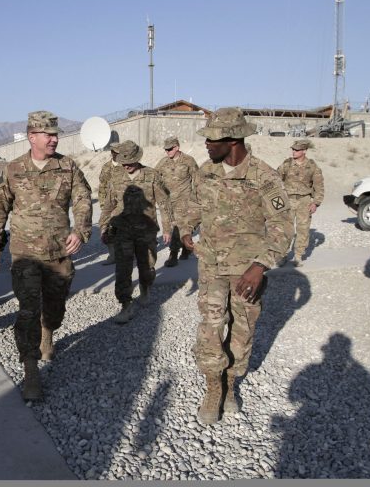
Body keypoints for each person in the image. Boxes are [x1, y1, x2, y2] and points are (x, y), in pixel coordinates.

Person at [178, 107, 293, 425]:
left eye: (212, 139)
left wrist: (260, 267)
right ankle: (213, 387)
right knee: (211, 329)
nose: (206, 144)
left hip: (247, 272)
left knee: (242, 335)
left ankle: (230, 386)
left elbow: (283, 226)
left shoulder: (264, 177)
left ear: (233, 140)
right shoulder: (206, 171)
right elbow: (194, 205)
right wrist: (186, 228)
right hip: (212, 267)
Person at [0, 110, 92, 401]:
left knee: (54, 311)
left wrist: (81, 230)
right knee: (28, 311)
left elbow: (83, 200)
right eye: (48, 134)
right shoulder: (13, 169)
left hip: (59, 253)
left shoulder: (67, 167)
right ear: (32, 136)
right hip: (25, 255)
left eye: (56, 134)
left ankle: (49, 332)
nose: (54, 139)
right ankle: (31, 371)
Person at [100, 140, 171, 324]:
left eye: (130, 161)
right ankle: (125, 304)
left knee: (146, 267)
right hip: (122, 230)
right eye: (124, 162)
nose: (127, 166)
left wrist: (167, 228)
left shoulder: (152, 175)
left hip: (146, 231)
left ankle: (145, 288)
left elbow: (164, 203)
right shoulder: (115, 176)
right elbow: (108, 205)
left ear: (138, 158)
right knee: (122, 269)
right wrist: (103, 227)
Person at [277, 139, 325, 266]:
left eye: (297, 150)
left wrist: (316, 202)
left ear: (304, 151)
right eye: (293, 149)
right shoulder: (286, 164)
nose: (293, 151)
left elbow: (319, 186)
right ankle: (283, 255)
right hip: (288, 200)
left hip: (304, 201)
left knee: (303, 229)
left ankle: (298, 256)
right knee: (286, 229)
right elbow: (276, 178)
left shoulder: (312, 166)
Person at [154, 136, 199, 267]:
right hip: (169, 202)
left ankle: (174, 254)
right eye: (166, 150)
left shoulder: (189, 161)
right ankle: (185, 248)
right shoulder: (163, 163)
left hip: (185, 201)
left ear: (177, 147)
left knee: (181, 226)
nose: (168, 152)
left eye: (170, 149)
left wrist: (197, 199)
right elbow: (155, 178)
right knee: (175, 226)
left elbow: (197, 180)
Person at [97, 143, 123, 266]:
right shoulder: (106, 167)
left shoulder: (125, 165)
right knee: (107, 229)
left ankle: (128, 254)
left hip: (122, 203)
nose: (116, 154)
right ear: (111, 152)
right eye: (114, 152)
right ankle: (113, 255)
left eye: (118, 152)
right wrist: (102, 203)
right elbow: (102, 186)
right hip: (108, 203)